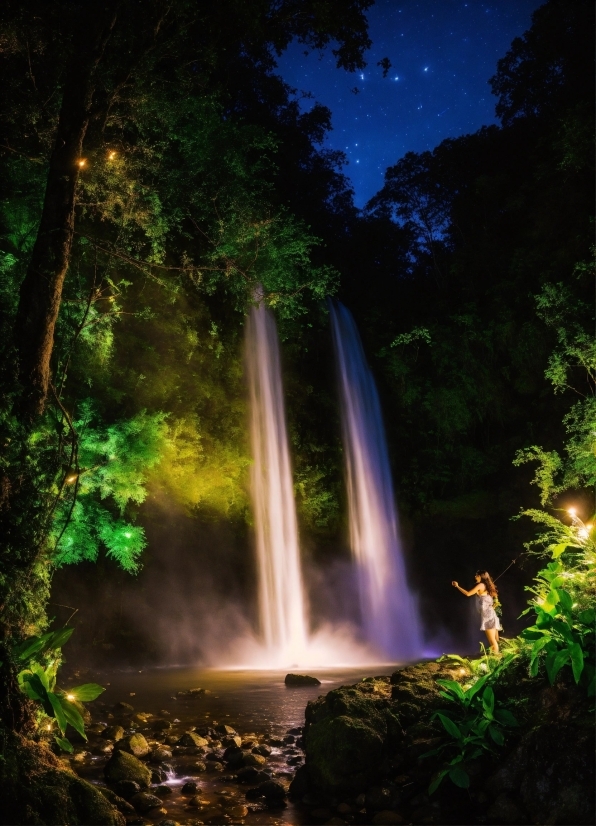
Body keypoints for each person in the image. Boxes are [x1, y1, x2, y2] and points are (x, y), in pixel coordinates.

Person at [451, 570, 501, 654]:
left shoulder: (481, 585)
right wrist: (492, 607)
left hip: (488, 616)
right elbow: (496, 601)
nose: (475, 576)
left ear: (481, 576)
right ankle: (497, 659)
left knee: (493, 641)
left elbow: (468, 594)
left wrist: (457, 586)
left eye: (477, 575)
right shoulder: (488, 586)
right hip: (491, 614)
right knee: (495, 640)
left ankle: (495, 660)